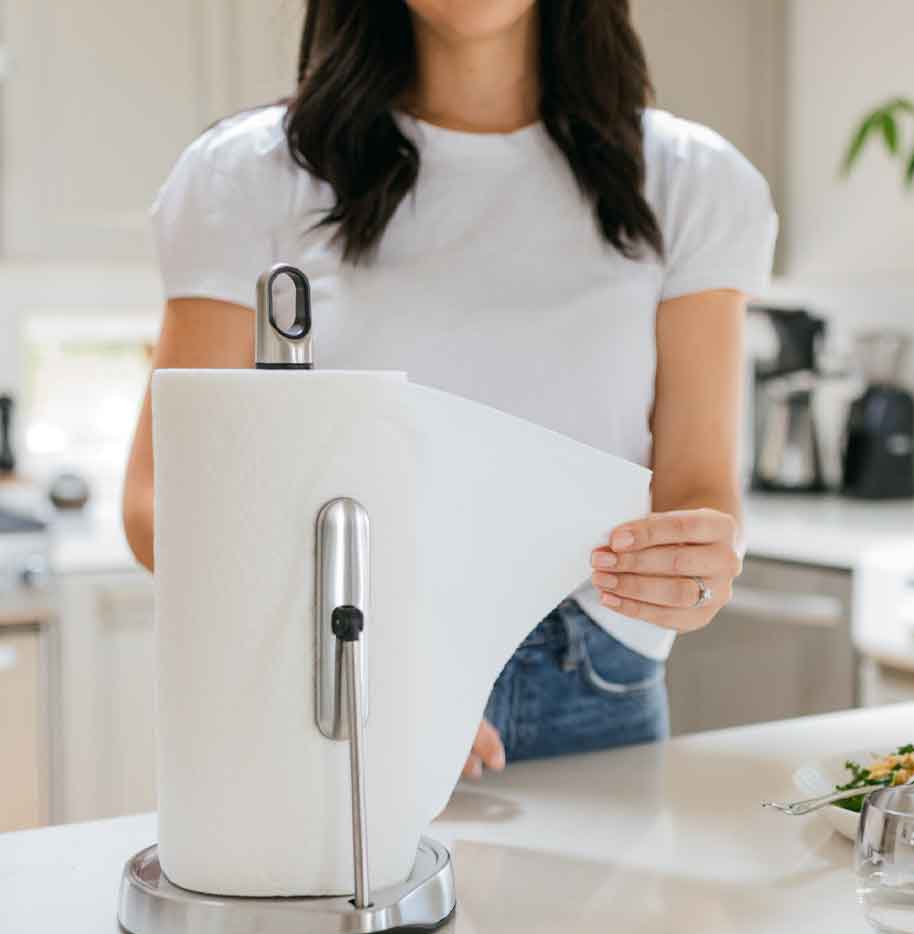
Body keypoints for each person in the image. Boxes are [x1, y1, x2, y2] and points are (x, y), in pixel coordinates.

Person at [122, 0, 777, 778]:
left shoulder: (693, 182)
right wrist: (358, 644)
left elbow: (697, 493)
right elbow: (159, 498)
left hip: (592, 682)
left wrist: (697, 569)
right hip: (338, 681)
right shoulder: (245, 175)